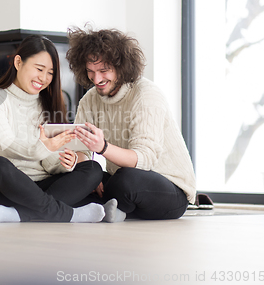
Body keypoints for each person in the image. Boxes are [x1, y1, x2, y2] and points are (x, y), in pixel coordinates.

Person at [67, 27, 196, 221]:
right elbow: (79, 149)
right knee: (77, 178)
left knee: (126, 179)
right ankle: (114, 209)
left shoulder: (146, 94)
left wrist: (102, 148)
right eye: (91, 72)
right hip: (123, 180)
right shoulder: (90, 99)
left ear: (121, 66)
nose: (97, 79)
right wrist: (88, 173)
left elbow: (144, 160)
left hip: (169, 189)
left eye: (104, 71)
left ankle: (108, 208)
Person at [0, 35, 106, 223]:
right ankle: (69, 214)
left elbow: (48, 162)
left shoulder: (46, 106)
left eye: (50, 73)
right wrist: (44, 147)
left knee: (92, 169)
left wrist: (65, 163)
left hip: (39, 188)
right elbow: (6, 146)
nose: (44, 78)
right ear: (18, 62)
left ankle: (19, 215)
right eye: (39, 69)